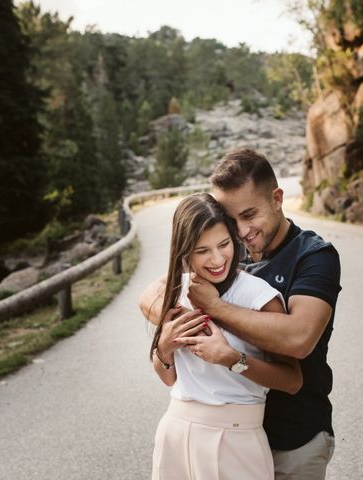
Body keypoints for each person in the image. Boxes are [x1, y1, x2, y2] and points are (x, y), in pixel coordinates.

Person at [140, 149, 342, 480]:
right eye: (232, 220)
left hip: (295, 438)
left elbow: (299, 339)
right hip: (227, 432)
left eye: (250, 215)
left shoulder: (314, 256)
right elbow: (150, 295)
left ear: (277, 199)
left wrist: (214, 309)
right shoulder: (228, 255)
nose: (242, 231)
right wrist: (172, 332)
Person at [147, 192, 302, 480]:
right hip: (176, 431)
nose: (217, 259)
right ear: (184, 251)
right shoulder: (176, 291)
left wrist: (232, 359)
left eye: (223, 244)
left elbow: (292, 381)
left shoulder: (259, 296)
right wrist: (164, 349)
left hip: (237, 438)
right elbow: (169, 378)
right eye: (202, 250)